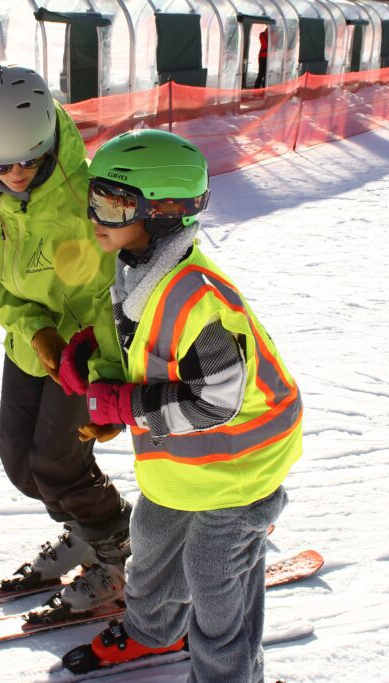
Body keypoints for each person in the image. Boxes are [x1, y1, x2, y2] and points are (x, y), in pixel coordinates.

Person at [58, 129, 304, 681]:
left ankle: (229, 675)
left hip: (243, 465)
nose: (95, 214)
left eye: (112, 204)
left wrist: (126, 405)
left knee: (214, 578)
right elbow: (153, 352)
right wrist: (98, 365)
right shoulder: (140, 273)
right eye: (92, 197)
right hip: (188, 463)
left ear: (163, 212)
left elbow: (214, 402)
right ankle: (151, 633)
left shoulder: (199, 298)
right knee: (153, 541)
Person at [0, 63, 131, 621]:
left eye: (31, 158)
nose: (19, 173)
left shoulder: (89, 189)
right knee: (21, 465)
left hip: (90, 347)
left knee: (58, 464)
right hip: (31, 342)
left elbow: (116, 286)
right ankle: (83, 531)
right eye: (1, 165)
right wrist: (35, 331)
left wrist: (105, 373)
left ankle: (123, 557)